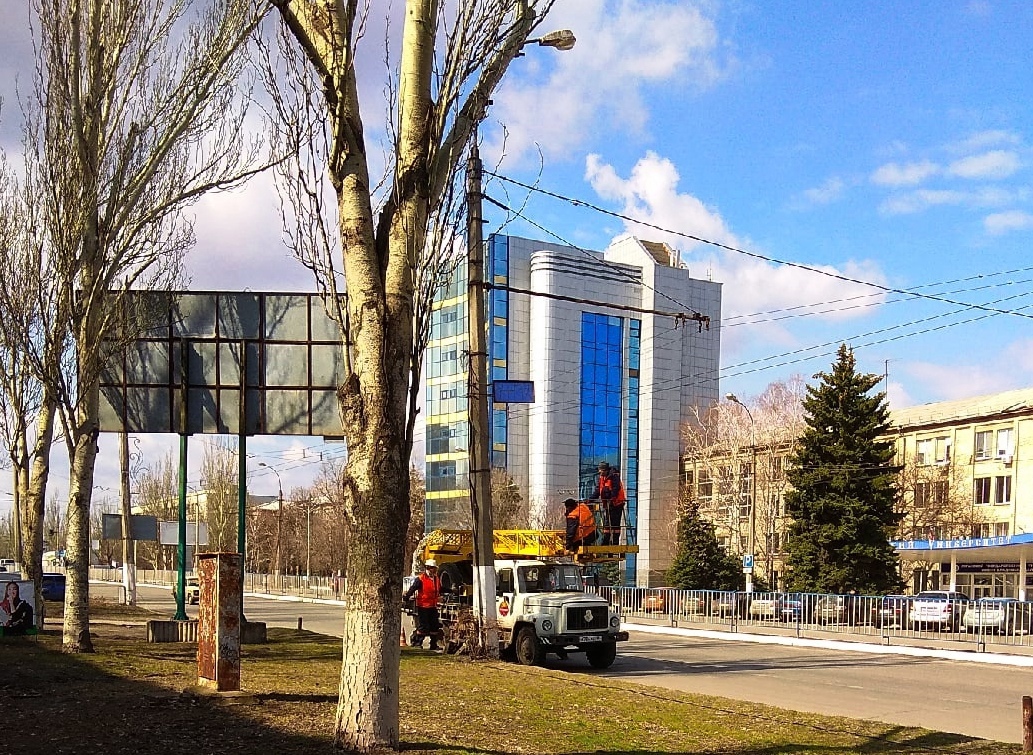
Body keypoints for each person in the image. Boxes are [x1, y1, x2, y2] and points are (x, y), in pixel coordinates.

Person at [404, 559, 442, 650]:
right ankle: (417, 642)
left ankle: (433, 645)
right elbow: (413, 588)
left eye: (435, 568)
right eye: (432, 568)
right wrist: (406, 597)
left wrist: (451, 590)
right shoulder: (420, 579)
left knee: (434, 626)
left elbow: (440, 589)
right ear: (428, 568)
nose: (434, 570)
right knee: (423, 626)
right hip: (423, 606)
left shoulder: (436, 579)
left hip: (433, 605)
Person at [589, 461, 627, 545]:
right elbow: (598, 490)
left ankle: (614, 541)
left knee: (614, 523)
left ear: (605, 470)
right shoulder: (602, 478)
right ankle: (606, 540)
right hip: (609, 503)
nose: (599, 472)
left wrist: (612, 498)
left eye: (600, 470)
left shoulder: (614, 476)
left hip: (617, 503)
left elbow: (616, 488)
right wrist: (590, 499)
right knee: (608, 522)